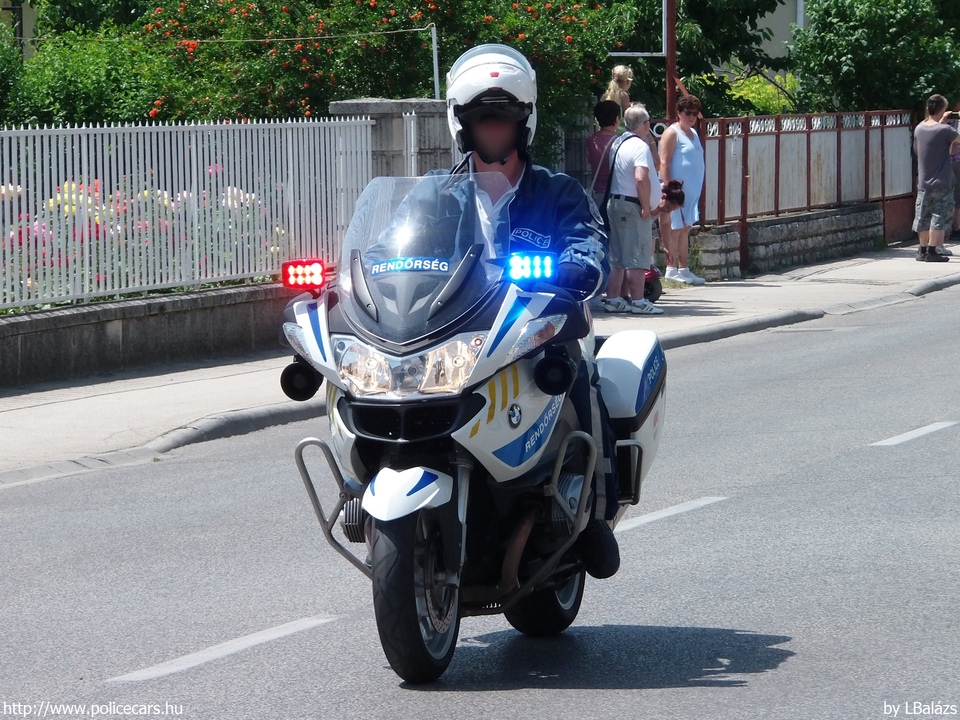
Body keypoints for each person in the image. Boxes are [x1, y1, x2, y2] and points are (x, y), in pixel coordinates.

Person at [445, 43, 621, 578]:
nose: (493, 129)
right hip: (460, 336)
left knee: (577, 375)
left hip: (540, 328)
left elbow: (588, 239)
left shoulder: (557, 191)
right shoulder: (439, 196)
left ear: (524, 124)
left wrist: (578, 264)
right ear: (464, 125)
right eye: (482, 120)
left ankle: (592, 513)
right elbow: (390, 249)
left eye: (503, 119)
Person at [602, 103, 667, 315]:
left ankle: (613, 299)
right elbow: (641, 177)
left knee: (618, 257)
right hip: (633, 205)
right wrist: (647, 207)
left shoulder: (618, 142)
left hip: (616, 202)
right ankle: (638, 302)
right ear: (646, 124)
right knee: (637, 256)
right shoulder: (640, 146)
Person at [659, 94, 706, 285]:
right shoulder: (672, 133)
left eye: (694, 114)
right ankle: (671, 269)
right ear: (679, 113)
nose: (691, 117)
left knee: (685, 229)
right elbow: (664, 161)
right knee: (675, 229)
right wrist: (669, 187)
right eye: (687, 113)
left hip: (692, 193)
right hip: (677, 193)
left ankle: (684, 269)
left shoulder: (693, 134)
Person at [913, 94, 959, 262]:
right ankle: (933, 251)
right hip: (942, 180)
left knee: (923, 216)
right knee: (939, 216)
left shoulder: (919, 128)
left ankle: (922, 250)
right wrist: (947, 121)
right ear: (942, 110)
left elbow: (917, 150)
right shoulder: (946, 130)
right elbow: (957, 138)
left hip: (924, 181)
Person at [585, 100, 621, 207]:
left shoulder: (591, 140)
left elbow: (590, 160)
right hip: (614, 192)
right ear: (616, 119)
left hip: (596, 192)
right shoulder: (618, 142)